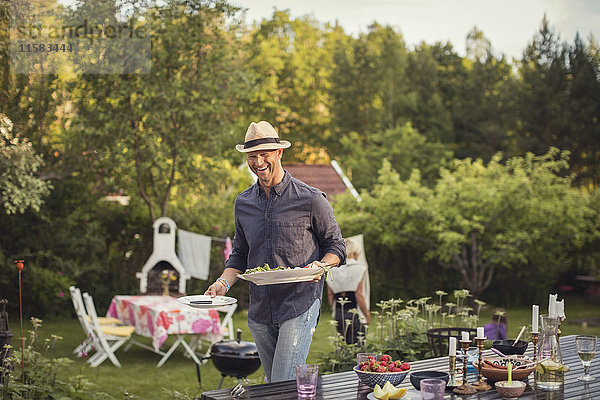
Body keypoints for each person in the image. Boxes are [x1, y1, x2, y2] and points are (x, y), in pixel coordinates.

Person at [205, 120, 346, 383]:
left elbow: (336, 246)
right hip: (260, 310)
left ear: (279, 153)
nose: (258, 162)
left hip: (299, 302)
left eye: (264, 154)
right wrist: (223, 282)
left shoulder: (311, 198)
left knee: (282, 383)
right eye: (252, 156)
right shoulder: (243, 203)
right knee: (274, 386)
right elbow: (240, 254)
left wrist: (321, 266)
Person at [327, 237, 370, 344]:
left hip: (339, 310)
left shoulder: (332, 269)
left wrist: (333, 310)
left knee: (343, 341)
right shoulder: (359, 268)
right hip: (354, 310)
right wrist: (367, 315)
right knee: (358, 343)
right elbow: (359, 295)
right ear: (355, 253)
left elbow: (330, 293)